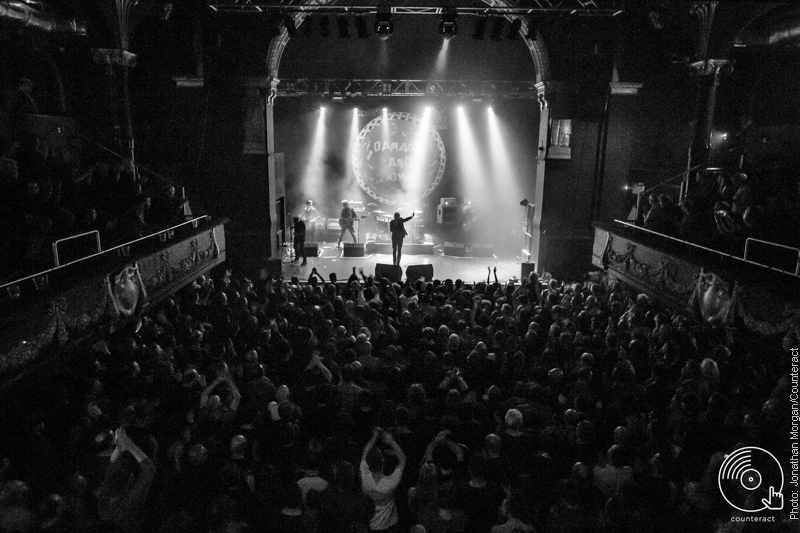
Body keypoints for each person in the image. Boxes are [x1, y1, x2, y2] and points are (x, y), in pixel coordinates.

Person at [360, 427, 406, 532]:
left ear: (367, 464)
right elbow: (403, 459)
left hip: (370, 524)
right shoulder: (390, 482)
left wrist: (374, 437)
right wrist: (391, 441)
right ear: (383, 460)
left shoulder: (364, 477)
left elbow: (365, 452)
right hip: (390, 525)